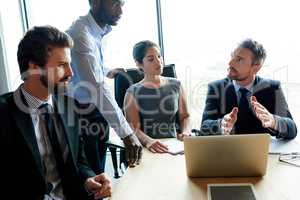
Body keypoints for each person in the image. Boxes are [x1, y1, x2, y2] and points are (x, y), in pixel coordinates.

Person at [0, 26, 112, 200]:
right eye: (62, 65)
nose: (71, 73)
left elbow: (79, 161)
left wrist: (88, 180)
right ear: (34, 67)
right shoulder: (4, 113)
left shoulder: (70, 106)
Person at [66, 0, 142, 173]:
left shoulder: (98, 30)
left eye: (122, 4)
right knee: (92, 174)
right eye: (115, 4)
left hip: (95, 109)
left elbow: (91, 66)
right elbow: (97, 87)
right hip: (80, 113)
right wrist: (127, 134)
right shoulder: (81, 34)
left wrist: (107, 70)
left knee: (99, 169)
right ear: (95, 3)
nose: (121, 11)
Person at [200, 39, 297, 139]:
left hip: (262, 153)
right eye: (232, 56)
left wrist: (274, 121)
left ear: (256, 68)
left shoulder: (273, 88)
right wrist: (221, 124)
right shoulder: (216, 88)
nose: (230, 63)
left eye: (239, 59)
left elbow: (292, 129)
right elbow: (204, 127)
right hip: (227, 152)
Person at [123, 40, 190, 153]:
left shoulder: (176, 85)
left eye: (159, 56)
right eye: (151, 59)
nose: (158, 62)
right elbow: (133, 128)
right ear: (139, 64)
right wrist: (148, 141)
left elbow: (185, 117)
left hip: (175, 146)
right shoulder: (132, 92)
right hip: (148, 148)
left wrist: (186, 131)